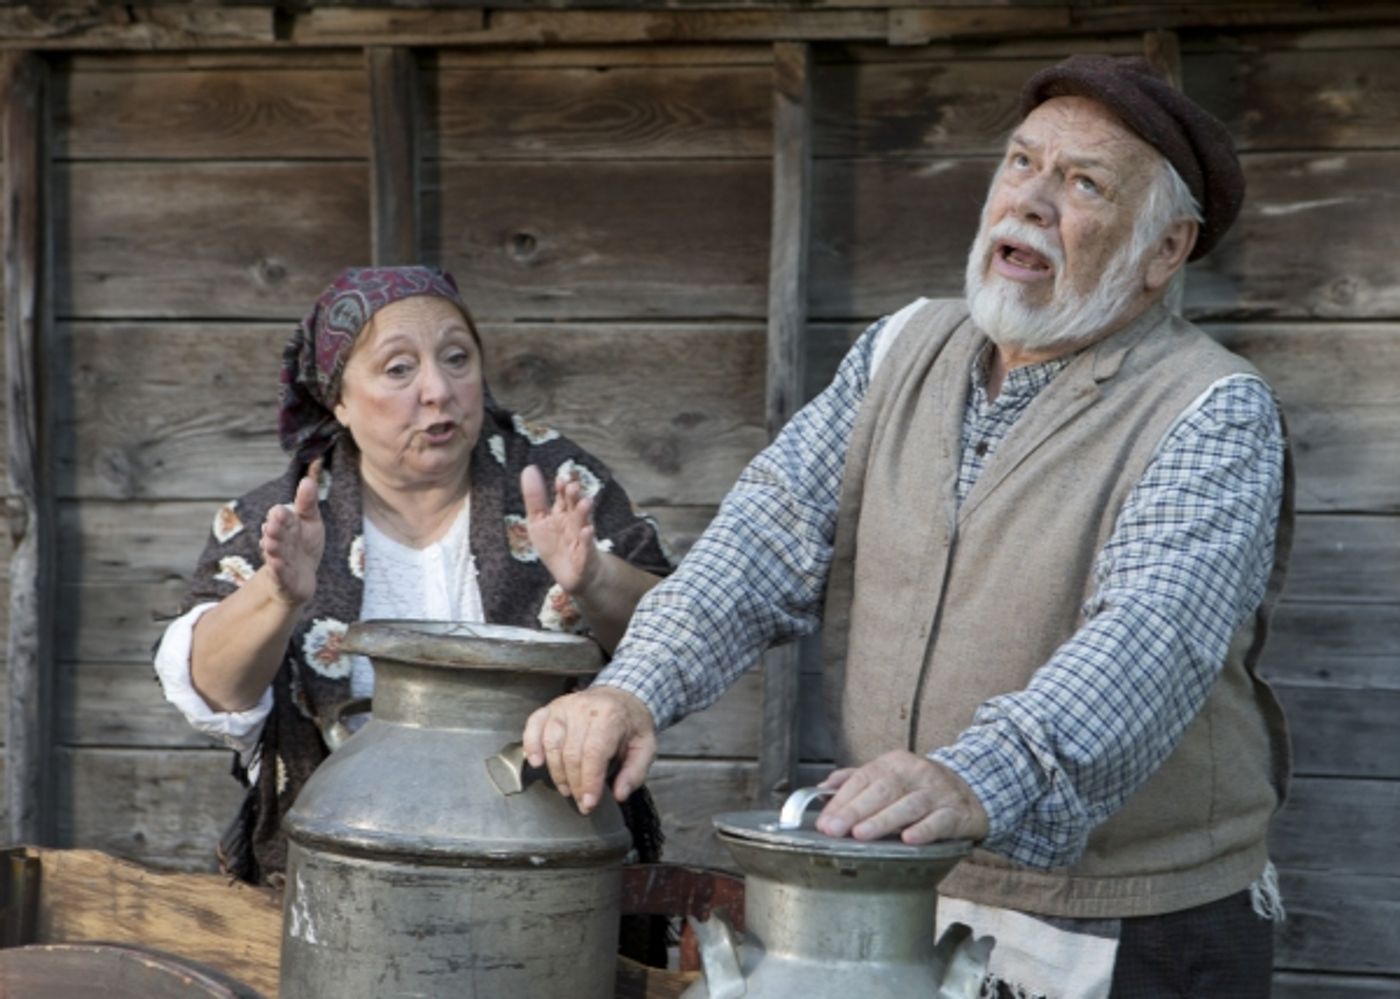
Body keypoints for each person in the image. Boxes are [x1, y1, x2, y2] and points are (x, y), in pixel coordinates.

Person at [522, 55, 1292, 997]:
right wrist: (633, 687)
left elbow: (1148, 643)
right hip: (902, 898)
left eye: (1084, 182)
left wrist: (976, 778)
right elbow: (759, 545)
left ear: (1164, 251)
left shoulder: (1210, 409)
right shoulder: (900, 349)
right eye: (1020, 163)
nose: (1032, 201)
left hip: (1132, 927)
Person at [154, 265, 672, 889]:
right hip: (342, 868)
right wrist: (278, 594)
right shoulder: (284, 516)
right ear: (338, 400)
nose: (438, 389)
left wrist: (593, 577)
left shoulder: (560, 486)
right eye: (399, 369)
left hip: (547, 863)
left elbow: (671, 630)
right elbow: (213, 692)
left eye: (457, 358)